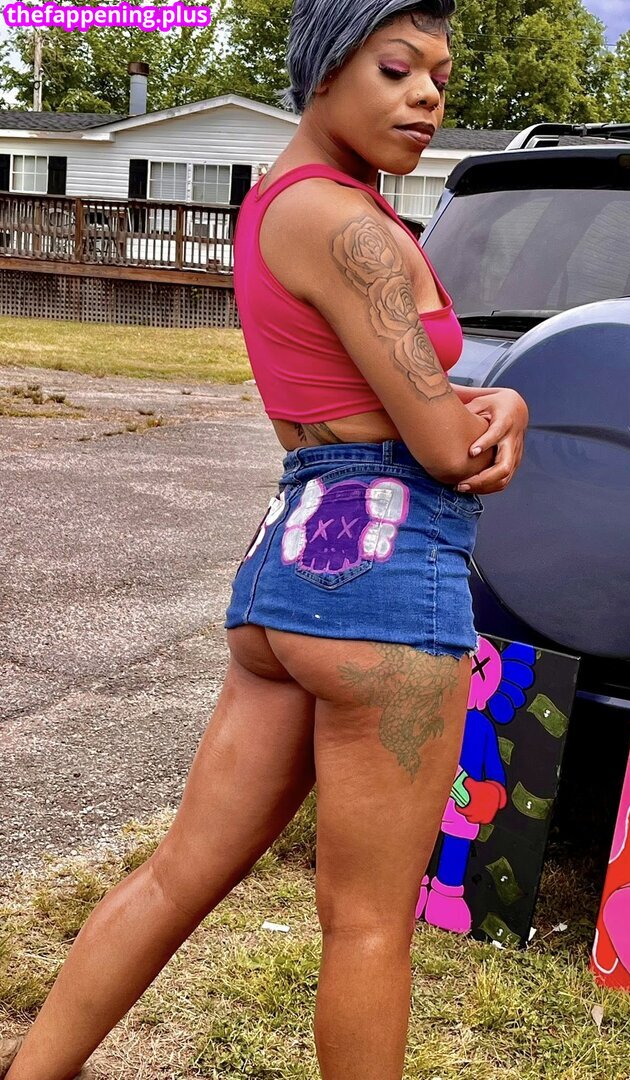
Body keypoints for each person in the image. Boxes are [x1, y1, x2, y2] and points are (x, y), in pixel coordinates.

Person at [0, 2, 528, 1078]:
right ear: (324, 68)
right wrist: (505, 414)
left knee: (178, 872)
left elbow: (367, 402)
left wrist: (491, 403)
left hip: (290, 557)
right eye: (397, 69)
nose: (428, 97)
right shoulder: (348, 224)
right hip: (388, 580)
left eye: (439, 75)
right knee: (368, 925)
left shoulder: (275, 203)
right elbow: (442, 448)